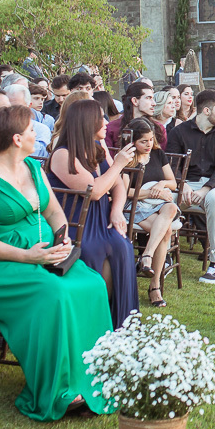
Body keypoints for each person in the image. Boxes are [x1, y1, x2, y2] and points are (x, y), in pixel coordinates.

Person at [0, 105, 111, 421]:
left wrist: (62, 236)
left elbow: (55, 212)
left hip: (43, 254)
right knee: (54, 294)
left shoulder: (32, 167)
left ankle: (98, 376)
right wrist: (29, 256)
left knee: (92, 283)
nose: (36, 134)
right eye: (31, 130)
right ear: (16, 138)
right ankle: (59, 389)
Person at [48, 100, 138, 328]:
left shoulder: (98, 148)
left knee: (122, 246)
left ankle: (120, 323)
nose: (107, 122)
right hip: (77, 225)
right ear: (86, 122)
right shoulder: (62, 155)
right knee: (97, 249)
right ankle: (97, 321)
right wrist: (118, 164)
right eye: (101, 117)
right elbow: (95, 191)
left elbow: (118, 186)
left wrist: (117, 211)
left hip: (103, 220)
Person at [164, 89, 215, 284]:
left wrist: (205, 190)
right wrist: (183, 186)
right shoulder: (178, 132)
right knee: (165, 201)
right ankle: (163, 255)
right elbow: (172, 165)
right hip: (186, 185)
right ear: (206, 110)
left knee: (214, 200)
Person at [124, 118, 179, 308]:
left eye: (150, 139)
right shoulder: (127, 158)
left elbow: (173, 182)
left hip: (158, 204)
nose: (148, 145)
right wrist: (149, 192)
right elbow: (125, 192)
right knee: (165, 232)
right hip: (136, 206)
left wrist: (161, 184)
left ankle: (146, 255)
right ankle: (154, 287)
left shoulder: (157, 154)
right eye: (143, 141)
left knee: (171, 207)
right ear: (133, 141)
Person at [104, 82, 164, 152]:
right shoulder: (112, 128)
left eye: (152, 98)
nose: (154, 103)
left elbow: (162, 158)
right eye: (148, 98)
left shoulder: (159, 129)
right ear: (135, 101)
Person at [2, 84, 51, 158]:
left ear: (29, 106)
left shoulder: (41, 130)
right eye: (6, 107)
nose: (10, 111)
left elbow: (41, 156)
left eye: (16, 107)